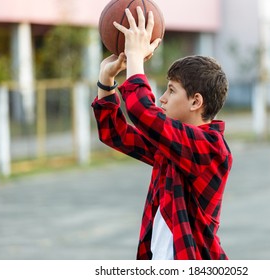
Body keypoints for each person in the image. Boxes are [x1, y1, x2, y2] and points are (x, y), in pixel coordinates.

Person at [92, 7, 233, 260]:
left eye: (171, 90)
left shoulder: (210, 149)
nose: (162, 98)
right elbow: (114, 133)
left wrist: (135, 57)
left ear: (195, 101)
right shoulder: (171, 147)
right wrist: (106, 79)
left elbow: (142, 111)